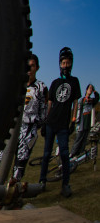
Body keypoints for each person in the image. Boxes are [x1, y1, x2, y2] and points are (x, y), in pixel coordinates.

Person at [0, 53, 47, 183]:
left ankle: (11, 194)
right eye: (27, 66)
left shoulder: (41, 87)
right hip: (12, 128)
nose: (29, 69)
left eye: (32, 66)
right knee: (0, 160)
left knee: (20, 164)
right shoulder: (17, 86)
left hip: (29, 130)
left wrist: (37, 126)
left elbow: (43, 110)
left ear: (37, 68)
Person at [39, 47, 82, 197]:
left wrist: (73, 120)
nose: (65, 65)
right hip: (51, 123)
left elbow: (76, 102)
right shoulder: (55, 82)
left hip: (64, 124)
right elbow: (49, 103)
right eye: (63, 62)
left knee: (64, 153)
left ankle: (65, 184)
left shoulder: (75, 81)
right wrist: (45, 121)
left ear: (71, 64)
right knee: (46, 154)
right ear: (60, 64)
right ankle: (42, 181)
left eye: (68, 62)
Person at [70, 83, 99, 158]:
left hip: (87, 124)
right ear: (86, 90)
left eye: (91, 89)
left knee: (84, 140)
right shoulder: (82, 100)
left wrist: (94, 91)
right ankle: (72, 153)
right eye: (89, 88)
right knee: (78, 139)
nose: (90, 90)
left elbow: (97, 97)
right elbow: (78, 111)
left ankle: (80, 154)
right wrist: (77, 122)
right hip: (81, 123)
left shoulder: (91, 101)